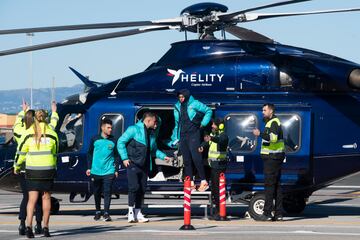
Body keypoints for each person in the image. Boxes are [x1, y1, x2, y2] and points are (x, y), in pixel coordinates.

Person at [13, 100, 58, 236]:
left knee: (31, 199)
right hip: (48, 170)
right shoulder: (52, 134)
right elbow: (55, 153)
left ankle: (28, 227)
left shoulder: (27, 134)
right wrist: (55, 112)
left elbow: (20, 152)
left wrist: (16, 166)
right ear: (46, 118)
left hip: (32, 170)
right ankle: (45, 228)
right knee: (46, 199)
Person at [117, 112, 171, 223]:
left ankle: (138, 212)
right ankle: (130, 212)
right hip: (133, 164)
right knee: (134, 188)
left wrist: (164, 156)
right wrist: (124, 158)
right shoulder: (133, 129)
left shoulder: (151, 134)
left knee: (141, 189)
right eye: (155, 122)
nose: (156, 125)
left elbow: (154, 150)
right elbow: (120, 142)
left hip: (145, 165)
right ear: (148, 121)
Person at [169, 89, 212, 191]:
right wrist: (175, 138)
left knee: (196, 158)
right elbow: (177, 124)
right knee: (186, 160)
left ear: (187, 96)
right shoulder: (177, 106)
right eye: (179, 97)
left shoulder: (194, 103)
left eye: (183, 97)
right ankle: (190, 182)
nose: (181, 99)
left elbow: (208, 111)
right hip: (183, 135)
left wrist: (203, 123)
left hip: (194, 133)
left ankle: (204, 181)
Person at [252, 103, 285, 221]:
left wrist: (259, 134)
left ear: (271, 111)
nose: (262, 112)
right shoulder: (272, 122)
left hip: (272, 158)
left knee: (270, 186)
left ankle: (267, 213)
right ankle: (279, 214)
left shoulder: (274, 122)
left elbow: (273, 138)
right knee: (276, 186)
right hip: (274, 158)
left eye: (264, 110)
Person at [86, 118, 119, 222]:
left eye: (111, 128)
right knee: (96, 192)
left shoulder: (114, 140)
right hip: (95, 170)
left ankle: (106, 213)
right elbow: (89, 153)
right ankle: (97, 211)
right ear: (102, 128)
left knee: (107, 192)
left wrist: (116, 169)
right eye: (108, 128)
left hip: (109, 171)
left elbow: (117, 155)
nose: (110, 130)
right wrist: (89, 167)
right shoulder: (94, 139)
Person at [199, 118, 228, 220]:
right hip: (214, 166)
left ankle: (220, 212)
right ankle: (218, 211)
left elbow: (219, 141)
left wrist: (211, 138)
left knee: (218, 190)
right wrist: (202, 146)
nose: (212, 126)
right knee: (215, 190)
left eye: (214, 125)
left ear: (220, 126)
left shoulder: (223, 135)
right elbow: (207, 143)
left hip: (219, 166)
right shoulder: (214, 135)